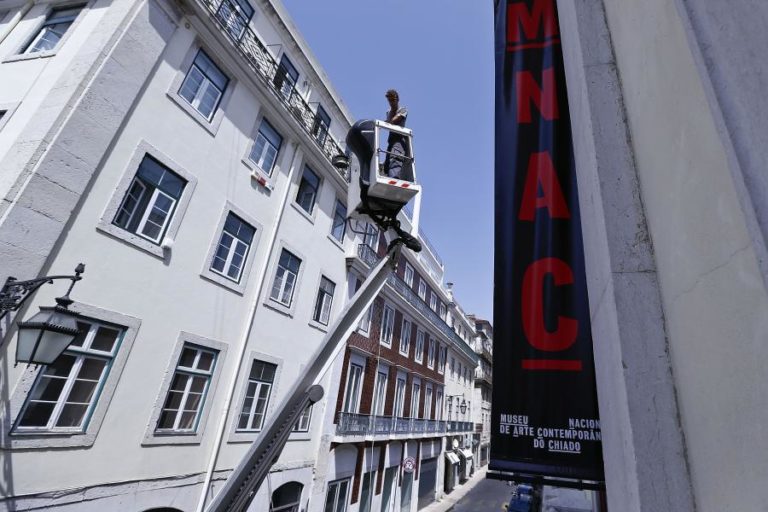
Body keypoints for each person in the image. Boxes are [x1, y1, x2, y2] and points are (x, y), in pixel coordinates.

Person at [383, 89, 410, 179]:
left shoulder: (403, 110)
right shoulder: (388, 112)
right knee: (387, 163)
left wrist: (389, 120)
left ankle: (394, 178)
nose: (391, 102)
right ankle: (388, 176)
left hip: (399, 139)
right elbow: (388, 121)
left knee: (395, 158)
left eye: (393, 100)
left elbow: (394, 121)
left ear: (397, 99)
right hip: (391, 140)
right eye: (389, 100)